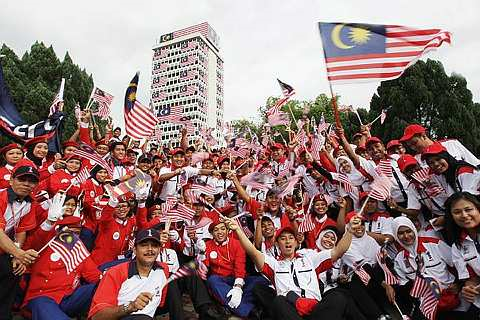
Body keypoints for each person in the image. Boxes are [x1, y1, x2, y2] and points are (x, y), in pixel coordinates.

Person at [226, 215, 355, 319]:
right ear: (277, 243)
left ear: (296, 242)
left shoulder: (310, 259)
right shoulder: (274, 264)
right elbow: (252, 251)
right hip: (291, 310)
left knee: (338, 297)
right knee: (278, 302)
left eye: (291, 238)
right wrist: (237, 229)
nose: (287, 241)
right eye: (283, 238)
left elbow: (338, 251)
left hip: (315, 309)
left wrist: (350, 231)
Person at [23, 216, 101, 320]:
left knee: (102, 286)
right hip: (43, 298)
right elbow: (35, 241)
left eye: (77, 233)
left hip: (69, 299)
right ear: (59, 231)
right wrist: (49, 222)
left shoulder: (78, 250)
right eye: (69, 233)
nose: (72, 238)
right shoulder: (44, 246)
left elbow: (95, 275)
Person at [89, 228, 170, 320]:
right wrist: (131, 306)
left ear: (159, 249)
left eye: (154, 246)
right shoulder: (115, 273)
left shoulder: (163, 269)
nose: (150, 249)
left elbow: (161, 304)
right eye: (144, 245)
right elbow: (96, 316)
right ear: (134, 250)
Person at [202, 219, 268, 318]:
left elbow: (240, 266)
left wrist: (237, 287)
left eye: (222, 229)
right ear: (212, 233)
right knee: (212, 281)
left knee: (262, 280)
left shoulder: (237, 243)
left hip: (238, 278)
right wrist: (201, 254)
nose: (220, 232)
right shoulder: (207, 245)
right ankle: (249, 311)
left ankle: (229, 305)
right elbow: (204, 267)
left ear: (228, 231)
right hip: (221, 281)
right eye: (216, 230)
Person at [0, 160, 40, 319]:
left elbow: (21, 231)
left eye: (32, 181)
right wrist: (18, 253)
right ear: (11, 180)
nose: (27, 184)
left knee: (15, 270)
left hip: (4, 248)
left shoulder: (30, 203)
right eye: (22, 179)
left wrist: (17, 256)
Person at [445, 192, 480, 316]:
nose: (464, 215)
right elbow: (471, 278)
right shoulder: (457, 246)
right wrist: (469, 289)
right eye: (457, 212)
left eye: (468, 209)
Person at [399, 124, 480, 166]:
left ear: (423, 135)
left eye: (414, 143)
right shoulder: (417, 160)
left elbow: (474, 162)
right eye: (410, 146)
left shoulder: (451, 144)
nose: (413, 147)